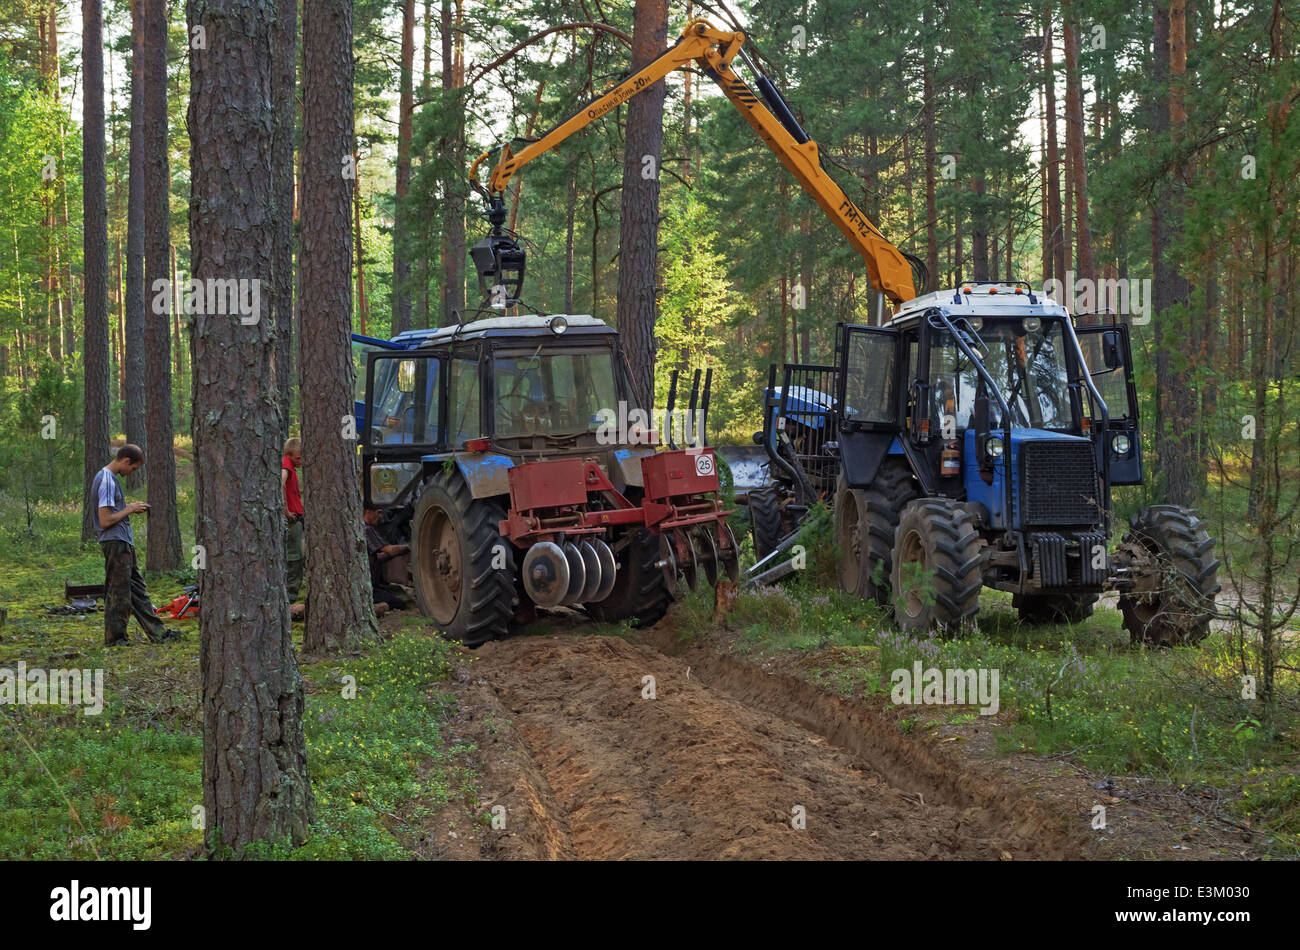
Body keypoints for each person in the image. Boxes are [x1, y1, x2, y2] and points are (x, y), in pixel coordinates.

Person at [90, 445, 182, 646]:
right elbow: (104, 520)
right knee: (119, 591)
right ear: (125, 461)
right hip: (115, 542)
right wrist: (130, 508)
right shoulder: (106, 480)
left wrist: (130, 508)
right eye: (133, 468)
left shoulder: (109, 479)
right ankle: (116, 639)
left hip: (122, 542)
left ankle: (158, 634)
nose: (132, 473)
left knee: (138, 590)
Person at [363, 506, 411, 610]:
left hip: (371, 585)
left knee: (399, 593)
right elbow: (390, 550)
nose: (380, 516)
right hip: (370, 587)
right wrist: (410, 546)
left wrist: (394, 554)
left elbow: (377, 558)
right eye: (378, 513)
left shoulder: (360, 528)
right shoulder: (367, 529)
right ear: (368, 511)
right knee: (399, 603)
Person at [282, 436, 304, 601]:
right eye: (298, 457)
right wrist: (286, 511)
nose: (301, 461)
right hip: (291, 519)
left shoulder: (291, 467)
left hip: (297, 516)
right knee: (294, 557)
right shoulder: (286, 465)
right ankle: (290, 596)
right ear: (289, 454)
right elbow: (281, 483)